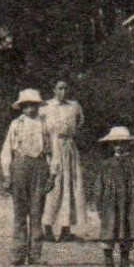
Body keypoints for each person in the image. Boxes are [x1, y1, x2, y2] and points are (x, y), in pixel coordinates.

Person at [0, 89, 55, 267]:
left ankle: (35, 254)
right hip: (20, 166)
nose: (30, 109)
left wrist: (52, 175)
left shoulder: (46, 125)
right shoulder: (16, 125)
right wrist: (7, 175)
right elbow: (6, 151)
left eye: (34, 105)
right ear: (22, 108)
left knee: (37, 213)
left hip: (40, 167)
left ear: (39, 107)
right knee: (20, 213)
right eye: (27, 106)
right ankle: (18, 253)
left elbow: (54, 153)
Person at [93, 126, 134, 267]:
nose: (119, 146)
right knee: (109, 232)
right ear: (111, 145)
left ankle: (125, 264)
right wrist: (99, 203)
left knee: (127, 232)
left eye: (122, 143)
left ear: (129, 144)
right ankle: (108, 264)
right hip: (110, 204)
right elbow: (98, 185)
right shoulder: (106, 164)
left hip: (130, 203)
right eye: (115, 143)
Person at [41, 80, 86, 243]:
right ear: (54, 90)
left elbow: (80, 123)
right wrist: (46, 145)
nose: (63, 91)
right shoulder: (45, 106)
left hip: (69, 147)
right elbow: (41, 128)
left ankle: (65, 228)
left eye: (66, 88)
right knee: (55, 185)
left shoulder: (74, 106)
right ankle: (47, 227)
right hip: (53, 148)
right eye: (60, 88)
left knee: (71, 185)